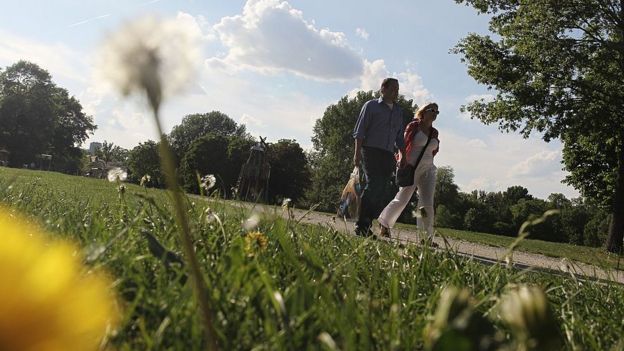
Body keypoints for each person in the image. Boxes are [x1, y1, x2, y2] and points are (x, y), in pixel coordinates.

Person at [378, 102, 440, 242]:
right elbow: (403, 144)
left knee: (427, 203)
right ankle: (384, 224)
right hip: (411, 167)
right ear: (423, 112)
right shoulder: (413, 126)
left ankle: (426, 237)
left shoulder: (434, 132)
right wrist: (401, 160)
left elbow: (434, 150)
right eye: (432, 110)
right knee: (402, 199)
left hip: (428, 169)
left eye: (437, 111)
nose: (435, 113)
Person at [352, 78, 406, 236]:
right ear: (383, 89)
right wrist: (356, 154)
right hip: (370, 150)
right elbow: (360, 131)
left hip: (388, 153)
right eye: (392, 89)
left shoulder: (398, 111)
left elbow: (399, 138)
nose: (395, 92)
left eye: (397, 89)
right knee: (373, 184)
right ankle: (362, 225)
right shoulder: (371, 106)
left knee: (383, 189)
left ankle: (367, 222)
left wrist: (403, 155)